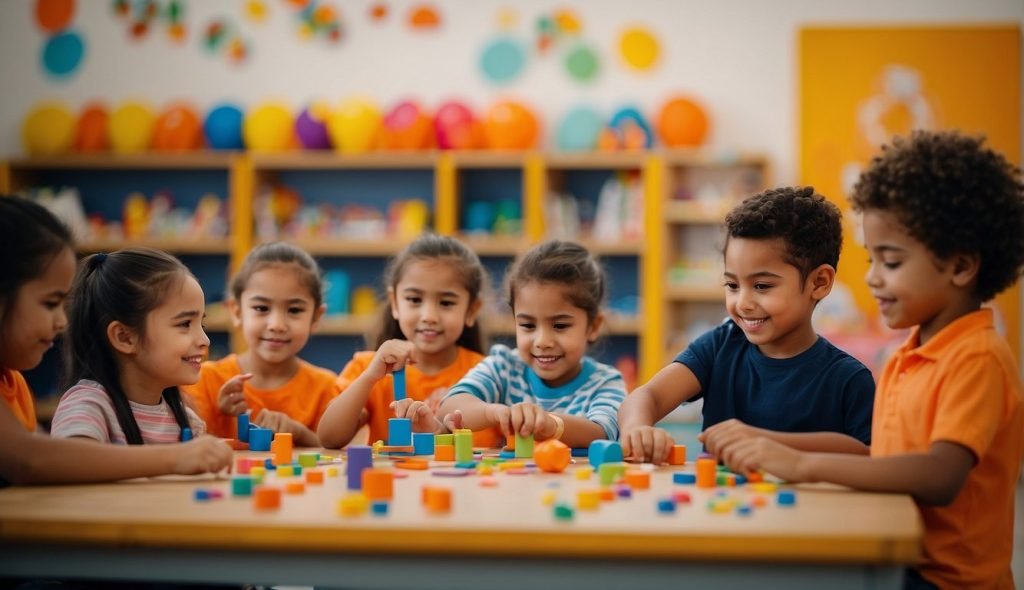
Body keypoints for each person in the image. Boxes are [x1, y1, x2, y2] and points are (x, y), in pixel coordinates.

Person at [715, 131, 1024, 590]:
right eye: (871, 259)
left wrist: (802, 465)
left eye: (892, 263)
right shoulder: (911, 353)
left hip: (945, 581)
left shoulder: (977, 357)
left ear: (960, 266)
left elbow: (940, 475)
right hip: (896, 554)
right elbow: (877, 456)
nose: (872, 279)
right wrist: (771, 444)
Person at [618, 186, 876, 464]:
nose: (742, 302)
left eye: (762, 286)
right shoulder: (720, 346)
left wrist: (764, 441)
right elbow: (649, 396)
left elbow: (866, 453)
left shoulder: (849, 380)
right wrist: (636, 428)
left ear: (819, 282)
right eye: (732, 285)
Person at [0, 197, 229, 484]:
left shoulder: (15, 385)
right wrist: (176, 457)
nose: (61, 322)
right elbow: (34, 462)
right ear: (123, 336)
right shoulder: (90, 404)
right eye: (50, 303)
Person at [438, 240, 626, 448]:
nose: (542, 341)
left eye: (560, 325)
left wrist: (551, 425)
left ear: (593, 326)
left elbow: (603, 433)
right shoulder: (504, 367)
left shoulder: (605, 382)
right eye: (528, 325)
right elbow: (449, 407)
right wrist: (493, 411)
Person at [318, 234, 497, 448]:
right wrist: (369, 377)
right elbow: (329, 438)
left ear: (471, 310)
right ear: (395, 303)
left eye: (446, 302)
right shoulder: (367, 369)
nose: (429, 315)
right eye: (414, 299)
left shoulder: (490, 373)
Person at [184, 242, 339, 447]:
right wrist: (221, 415)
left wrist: (300, 434)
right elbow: (186, 450)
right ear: (236, 312)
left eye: (294, 310)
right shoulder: (203, 381)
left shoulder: (326, 388)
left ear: (316, 317)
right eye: (261, 308)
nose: (276, 325)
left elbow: (338, 456)